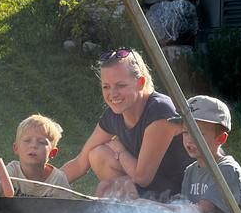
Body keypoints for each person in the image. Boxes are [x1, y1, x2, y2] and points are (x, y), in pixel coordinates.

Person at [62, 48, 191, 200]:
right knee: (97, 154)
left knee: (108, 176)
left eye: (121, 85)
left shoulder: (160, 110)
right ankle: (128, 205)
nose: (113, 94)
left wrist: (120, 150)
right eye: (106, 87)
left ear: (140, 83)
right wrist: (44, 185)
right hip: (145, 188)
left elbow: (142, 177)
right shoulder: (115, 114)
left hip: (177, 197)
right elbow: (80, 163)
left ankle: (130, 206)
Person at [171, 95, 241, 213]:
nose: (189, 140)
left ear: (221, 138)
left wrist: (154, 207)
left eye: (198, 134)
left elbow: (200, 211)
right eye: (185, 132)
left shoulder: (227, 170)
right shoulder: (190, 171)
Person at [0, 114, 73, 198]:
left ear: (52, 152)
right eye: (27, 140)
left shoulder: (58, 180)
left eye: (41, 142)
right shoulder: (11, 171)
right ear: (16, 148)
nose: (33, 145)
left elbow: (67, 207)